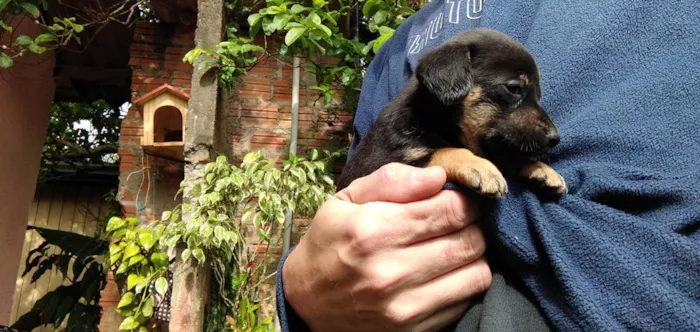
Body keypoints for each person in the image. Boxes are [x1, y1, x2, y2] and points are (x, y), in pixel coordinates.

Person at [276, 0, 700, 331]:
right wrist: (302, 291)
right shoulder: (400, 58)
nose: (546, 127)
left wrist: (520, 168)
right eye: (515, 93)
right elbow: (361, 204)